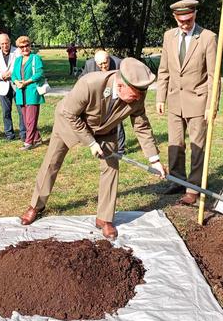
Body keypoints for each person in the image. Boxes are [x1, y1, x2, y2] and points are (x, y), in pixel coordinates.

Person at [19, 57, 165, 240]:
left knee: (111, 167)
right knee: (52, 163)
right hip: (69, 122)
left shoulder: (137, 96)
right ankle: (36, 206)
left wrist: (154, 159)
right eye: (134, 95)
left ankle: (104, 218)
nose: (138, 100)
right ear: (120, 86)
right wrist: (90, 143)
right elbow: (69, 114)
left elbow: (141, 127)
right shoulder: (89, 83)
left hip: (105, 130)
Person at [156, 0, 217, 206]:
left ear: (195, 15)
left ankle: (193, 187)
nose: (185, 24)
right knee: (175, 144)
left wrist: (211, 105)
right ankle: (177, 180)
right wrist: (160, 97)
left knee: (197, 146)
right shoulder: (168, 37)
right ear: (175, 18)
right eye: (181, 21)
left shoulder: (208, 38)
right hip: (174, 100)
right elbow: (163, 69)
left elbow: (213, 76)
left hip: (198, 102)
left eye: (188, 20)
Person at [81, 49, 126, 154]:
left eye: (105, 63)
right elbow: (82, 81)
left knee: (116, 120)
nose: (103, 66)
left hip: (115, 94)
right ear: (96, 62)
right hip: (98, 95)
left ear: (109, 59)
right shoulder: (89, 65)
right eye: (100, 64)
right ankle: (100, 144)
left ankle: (120, 149)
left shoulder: (119, 63)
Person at [0, 33, 25, 141]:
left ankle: (24, 133)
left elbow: (21, 66)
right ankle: (9, 134)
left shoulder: (18, 52)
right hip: (4, 86)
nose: (5, 45)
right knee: (6, 112)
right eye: (2, 44)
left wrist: (11, 73)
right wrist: (1, 76)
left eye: (6, 43)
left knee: (21, 110)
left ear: (10, 42)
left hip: (17, 85)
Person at [12, 36, 45, 150]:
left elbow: (39, 73)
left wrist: (25, 82)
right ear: (18, 48)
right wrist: (17, 82)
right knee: (26, 120)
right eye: (22, 47)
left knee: (31, 119)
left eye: (27, 46)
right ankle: (37, 138)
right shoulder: (17, 60)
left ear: (30, 46)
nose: (25, 48)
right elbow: (13, 75)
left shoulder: (35, 58)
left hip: (32, 91)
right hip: (21, 93)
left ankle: (29, 142)